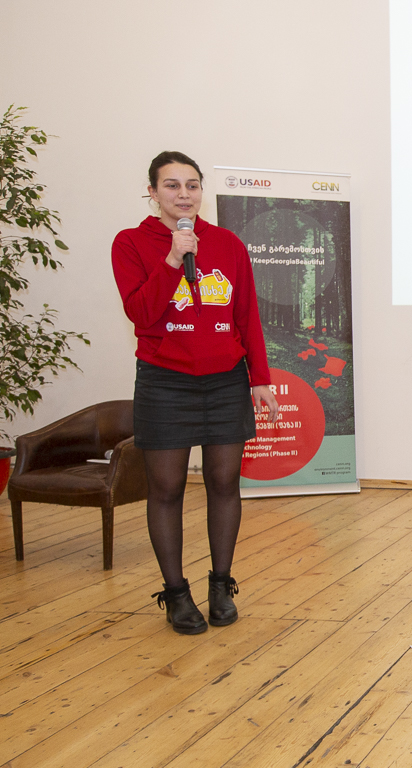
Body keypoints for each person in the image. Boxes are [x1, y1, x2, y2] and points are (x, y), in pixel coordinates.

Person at [111, 151, 279, 634]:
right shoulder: (130, 243)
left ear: (201, 191)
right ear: (152, 192)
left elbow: (246, 315)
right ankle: (176, 594)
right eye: (171, 185)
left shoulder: (227, 243)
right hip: (165, 382)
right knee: (166, 488)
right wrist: (171, 259)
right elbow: (141, 314)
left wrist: (260, 378)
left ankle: (221, 585)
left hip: (225, 380)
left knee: (224, 483)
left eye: (191, 185)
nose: (183, 194)